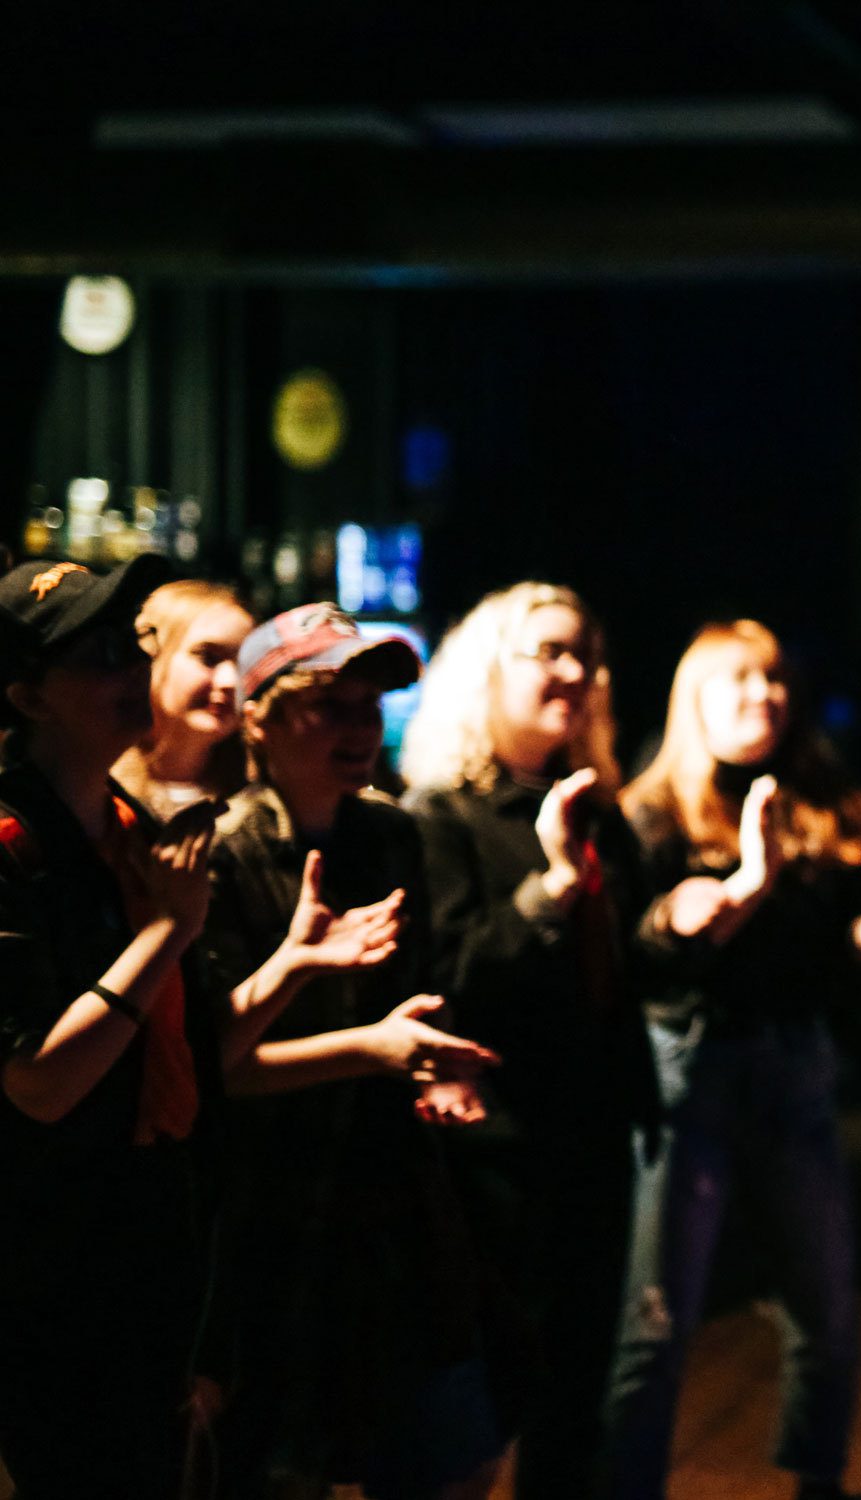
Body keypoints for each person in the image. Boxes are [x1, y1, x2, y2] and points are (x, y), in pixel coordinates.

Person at [0, 558, 413, 1496]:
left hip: (153, 1258)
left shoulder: (130, 829)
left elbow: (191, 1064)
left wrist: (290, 967)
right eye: (97, 655)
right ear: (27, 695)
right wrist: (167, 933)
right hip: (52, 1273)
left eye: (133, 645)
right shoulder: (18, 845)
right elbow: (39, 1084)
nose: (130, 669)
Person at [612, 619, 861, 1500]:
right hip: (689, 1068)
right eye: (741, 680)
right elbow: (639, 966)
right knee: (655, 1320)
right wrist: (714, 907)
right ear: (694, 698)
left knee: (825, 1309)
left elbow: (823, 953)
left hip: (794, 1066)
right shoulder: (651, 811)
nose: (765, 696)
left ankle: (817, 1481)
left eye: (777, 680)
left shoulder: (823, 802)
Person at [202, 602, 503, 1499]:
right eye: (328, 705)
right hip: (268, 1216)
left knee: (448, 1456)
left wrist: (435, 1065)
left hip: (387, 1202)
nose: (360, 726)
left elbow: (413, 994)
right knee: (280, 1466)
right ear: (257, 719)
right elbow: (217, 1068)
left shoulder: (390, 834)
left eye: (371, 705)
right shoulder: (219, 852)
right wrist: (374, 1049)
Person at [400, 581, 659, 1498]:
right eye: (549, 651)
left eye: (585, 654)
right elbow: (451, 977)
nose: (575, 672)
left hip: (595, 1137)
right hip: (497, 1151)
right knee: (494, 1395)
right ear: (486, 672)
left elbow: (622, 975)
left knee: (576, 1396)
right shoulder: (438, 816)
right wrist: (549, 887)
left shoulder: (599, 812)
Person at [112, 577, 254, 821]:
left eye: (245, 665)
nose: (231, 681)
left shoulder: (255, 795)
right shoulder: (96, 787)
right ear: (149, 657)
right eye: (208, 657)